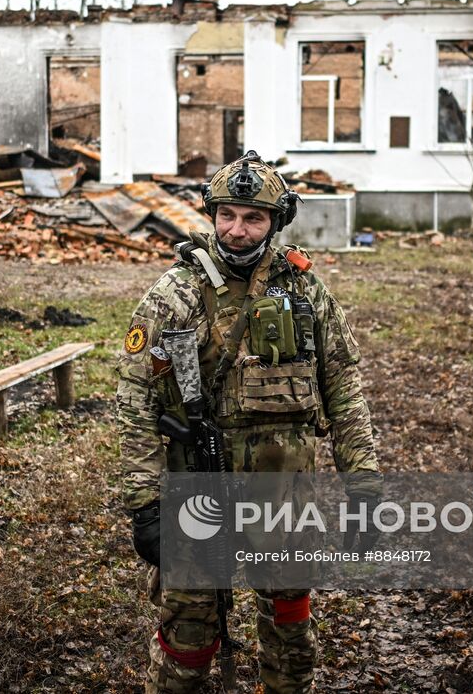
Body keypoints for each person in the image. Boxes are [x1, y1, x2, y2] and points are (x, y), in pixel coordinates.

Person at [116, 151, 381, 693]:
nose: (238, 231)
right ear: (212, 215)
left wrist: (365, 489)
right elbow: (135, 401)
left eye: (253, 218)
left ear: (276, 221)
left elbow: (343, 390)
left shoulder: (305, 290)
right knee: (188, 640)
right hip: (197, 493)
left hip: (284, 496)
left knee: (290, 636)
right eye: (228, 216)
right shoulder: (176, 294)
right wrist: (146, 506)